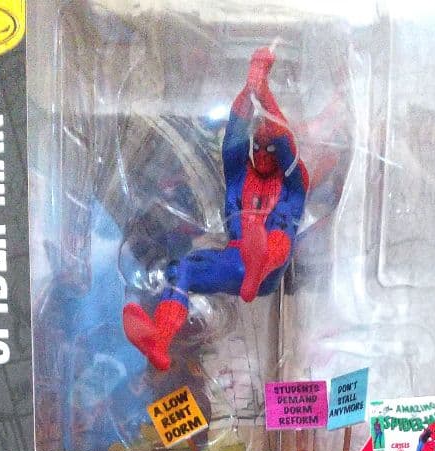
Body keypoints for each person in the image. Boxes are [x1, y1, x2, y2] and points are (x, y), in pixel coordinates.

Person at [123, 47, 309, 372]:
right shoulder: (240, 177)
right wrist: (249, 88)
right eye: (257, 147)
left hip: (270, 269)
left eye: (269, 148)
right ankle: (159, 341)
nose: (262, 154)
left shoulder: (293, 184)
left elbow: (284, 138)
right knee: (182, 271)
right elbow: (234, 137)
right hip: (236, 261)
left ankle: (259, 265)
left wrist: (264, 91)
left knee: (279, 233)